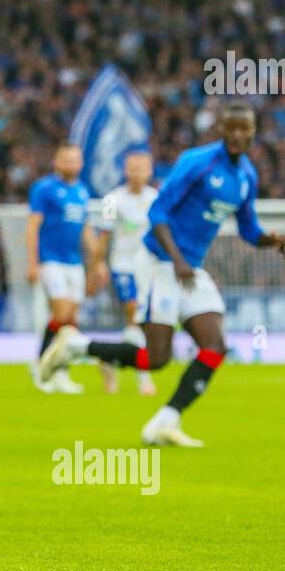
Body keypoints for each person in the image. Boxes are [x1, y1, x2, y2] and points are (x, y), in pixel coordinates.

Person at [39, 102, 285, 446]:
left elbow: (248, 229)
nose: (237, 135)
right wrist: (177, 260)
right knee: (156, 358)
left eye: (244, 129)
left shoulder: (246, 176)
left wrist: (270, 241)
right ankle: (77, 346)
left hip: (188, 269)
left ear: (252, 133)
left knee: (213, 346)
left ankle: (164, 420)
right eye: (230, 128)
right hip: (159, 261)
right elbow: (158, 213)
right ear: (221, 129)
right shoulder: (197, 162)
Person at [26, 144, 107, 394]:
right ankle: (41, 365)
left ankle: (59, 372)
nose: (72, 165)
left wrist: (98, 261)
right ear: (57, 162)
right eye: (67, 160)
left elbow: (85, 231)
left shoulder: (82, 192)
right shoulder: (44, 189)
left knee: (71, 320)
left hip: (74, 263)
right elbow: (32, 227)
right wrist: (32, 263)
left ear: (81, 163)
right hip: (51, 260)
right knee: (61, 314)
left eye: (75, 160)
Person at [95, 151, 158, 396]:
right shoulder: (112, 200)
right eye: (133, 168)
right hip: (123, 266)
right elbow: (105, 235)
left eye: (142, 168)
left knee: (143, 322)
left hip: (149, 268)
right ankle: (145, 379)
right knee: (135, 314)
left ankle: (109, 358)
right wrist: (98, 264)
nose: (137, 173)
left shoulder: (157, 199)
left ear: (149, 171)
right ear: (125, 171)